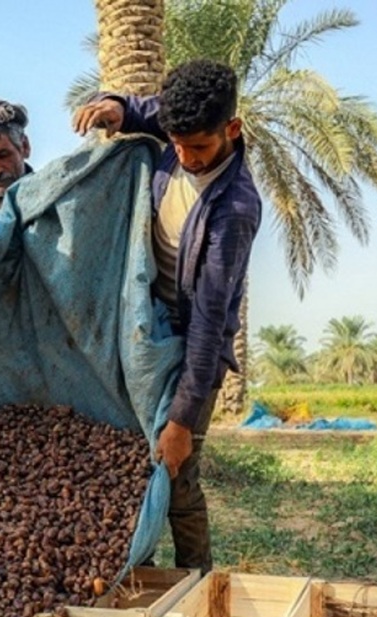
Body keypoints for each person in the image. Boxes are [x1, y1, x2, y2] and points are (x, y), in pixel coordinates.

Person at [72, 60, 262, 572]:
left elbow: (208, 321)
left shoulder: (234, 209)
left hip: (191, 338)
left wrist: (181, 420)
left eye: (198, 147)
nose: (184, 156)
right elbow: (144, 111)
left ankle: (196, 579)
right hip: (145, 320)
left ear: (232, 130)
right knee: (134, 459)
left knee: (177, 470)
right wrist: (117, 105)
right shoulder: (181, 124)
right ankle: (142, 573)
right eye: (175, 144)